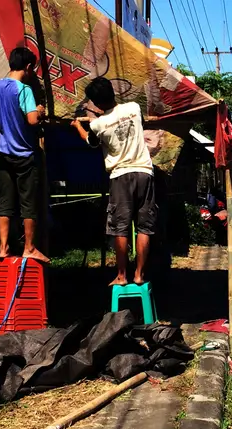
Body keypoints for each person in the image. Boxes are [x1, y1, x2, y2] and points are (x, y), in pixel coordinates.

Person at [71, 77, 157, 286]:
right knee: (144, 226)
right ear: (113, 92)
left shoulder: (98, 124)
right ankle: (139, 274)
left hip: (120, 176)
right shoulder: (134, 108)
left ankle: (121, 275)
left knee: (121, 227)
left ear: (97, 103)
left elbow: (91, 142)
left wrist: (77, 126)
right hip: (144, 171)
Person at [0, 47, 49, 262]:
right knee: (28, 204)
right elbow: (31, 120)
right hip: (23, 154)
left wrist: (0, 124)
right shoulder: (24, 89)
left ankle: (3, 248)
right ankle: (29, 248)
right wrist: (39, 111)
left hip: (2, 152)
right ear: (29, 67)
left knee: (5, 202)